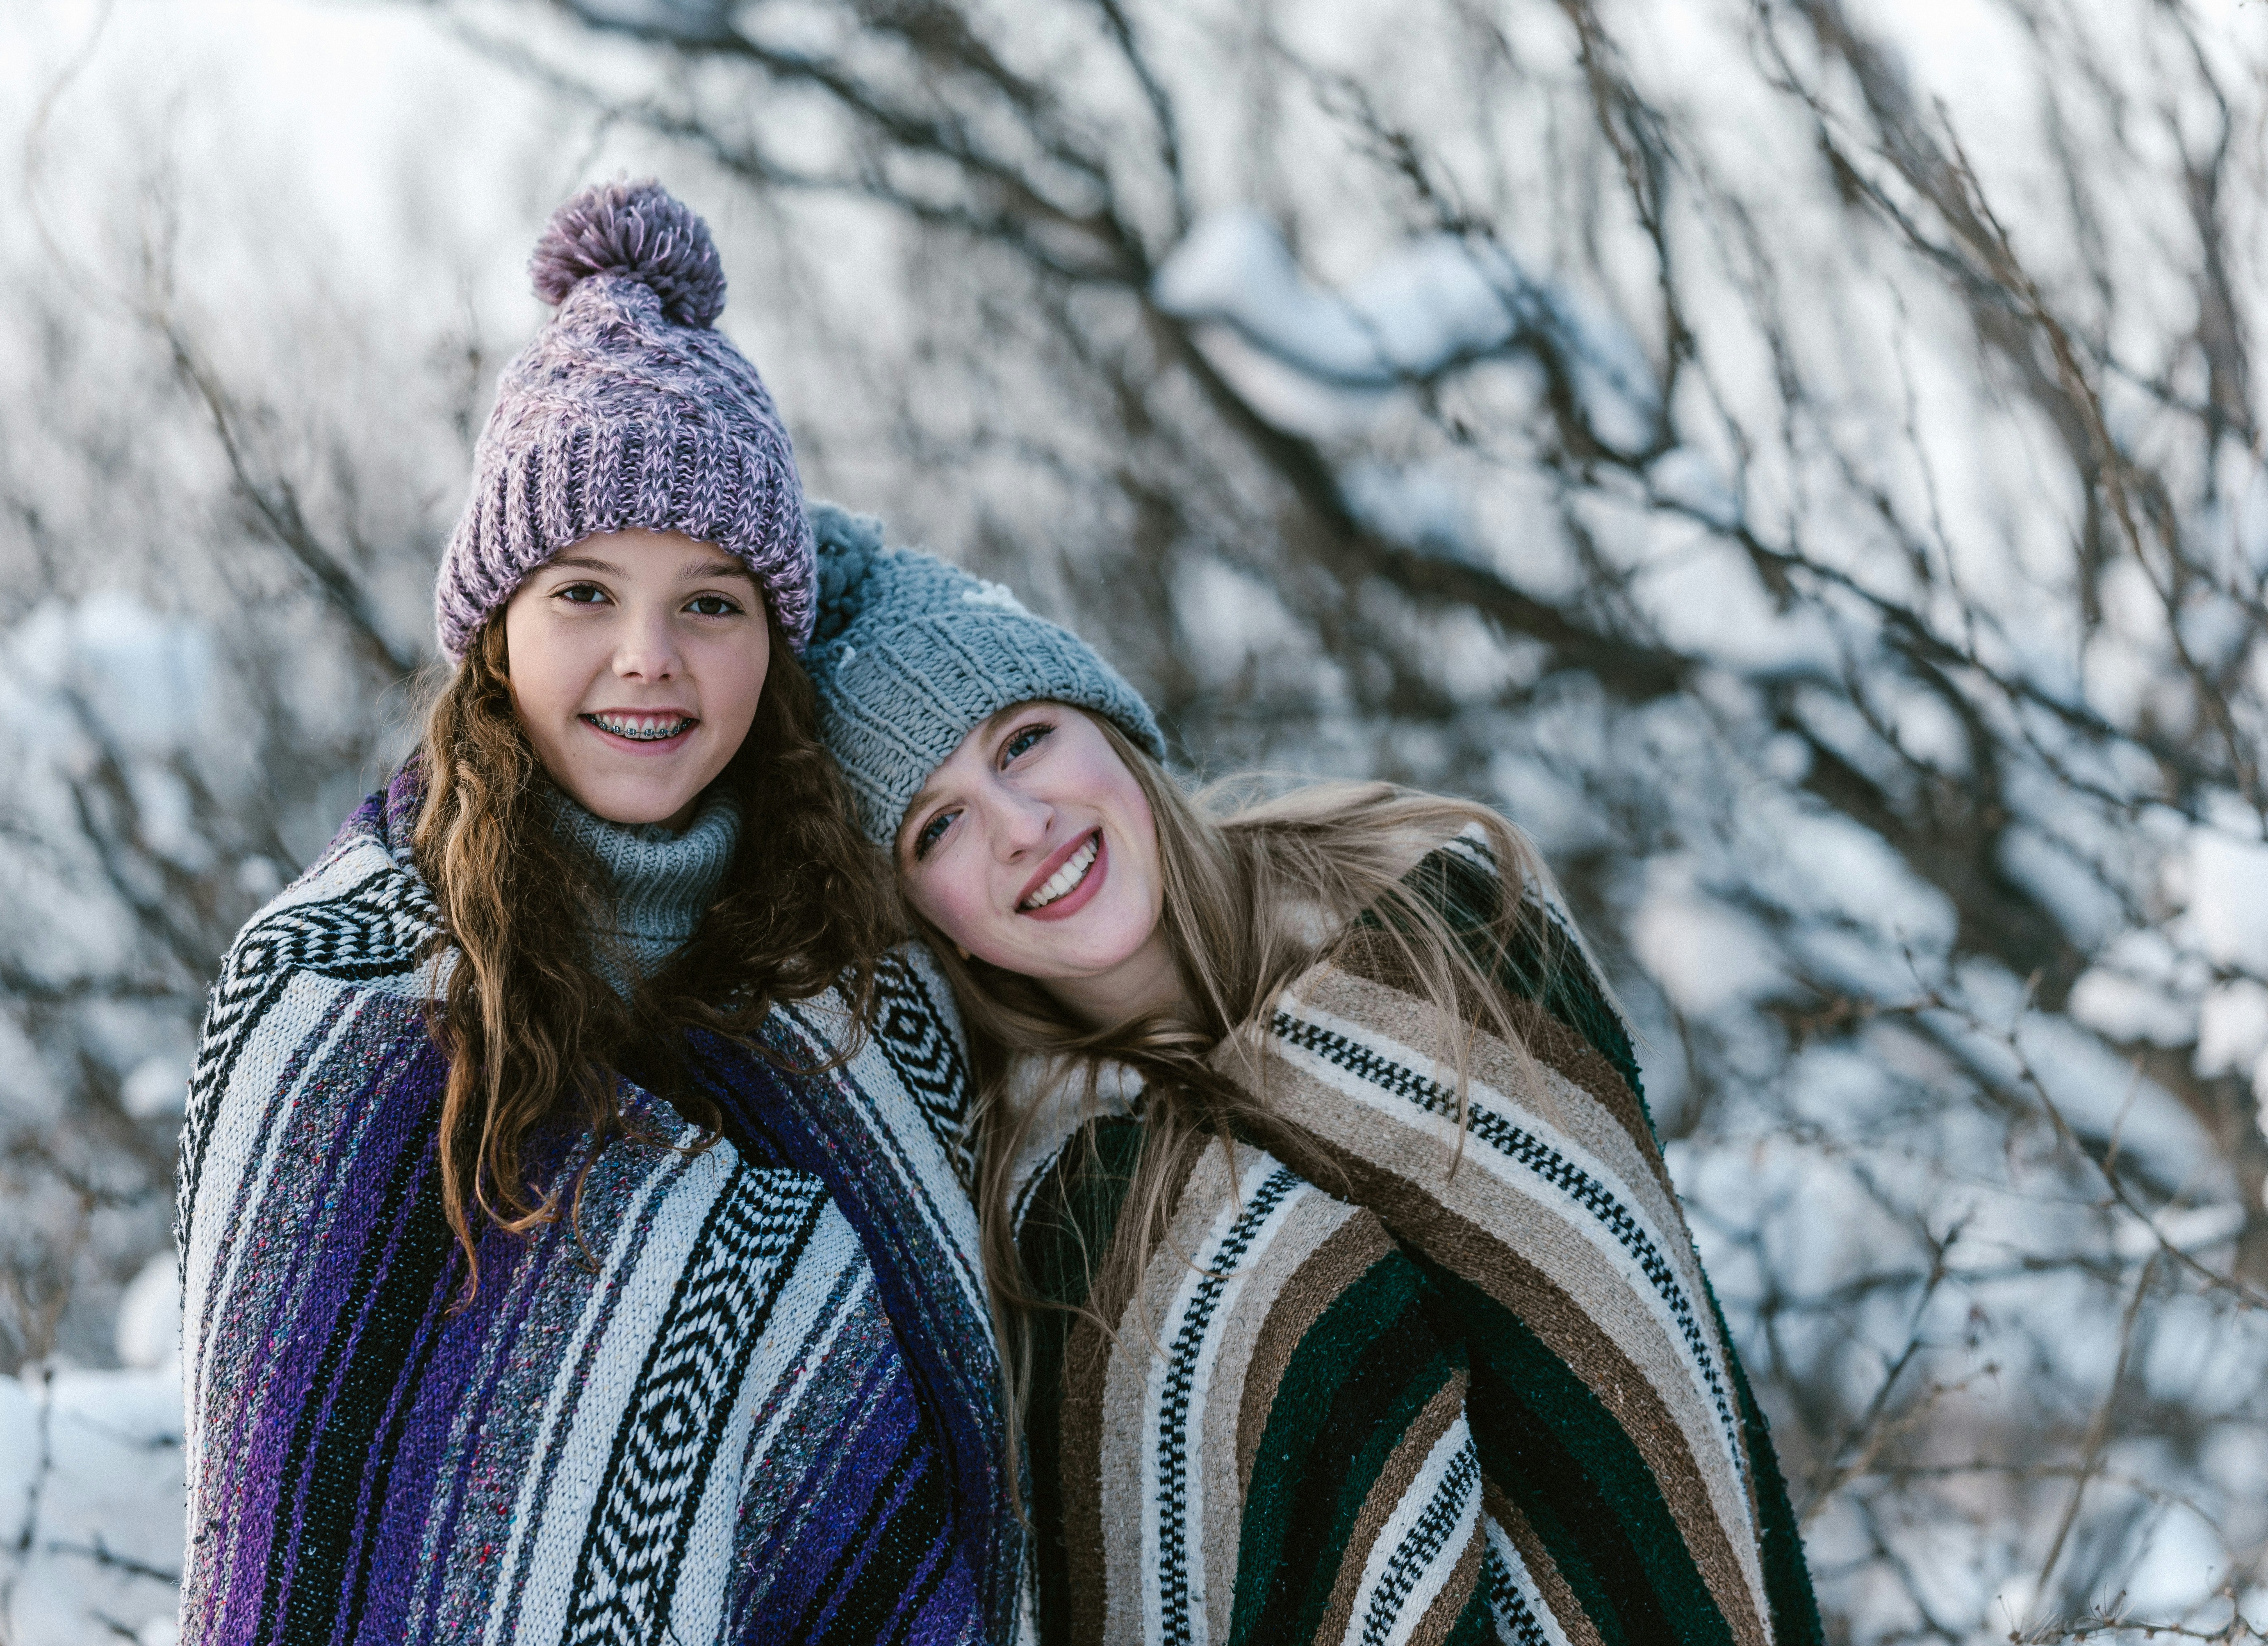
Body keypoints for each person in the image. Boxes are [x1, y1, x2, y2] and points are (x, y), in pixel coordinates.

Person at [175, 182, 1018, 1646]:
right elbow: (293, 1541)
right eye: (583, 593)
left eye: (713, 603)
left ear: (776, 640)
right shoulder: (327, 1002)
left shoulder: (873, 997)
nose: (650, 662)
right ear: (495, 629)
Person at [800, 512, 1824, 1646]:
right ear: (926, 924)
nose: (1021, 827)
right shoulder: (1066, 1226)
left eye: (1023, 742)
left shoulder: (1445, 937)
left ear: (1112, 727)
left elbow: (1654, 1403)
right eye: (937, 827)